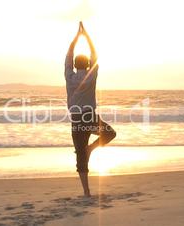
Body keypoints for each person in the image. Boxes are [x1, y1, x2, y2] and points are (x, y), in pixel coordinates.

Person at [64, 21, 116, 197]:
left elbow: (68, 57)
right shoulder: (91, 75)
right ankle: (91, 148)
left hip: (77, 120)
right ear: (87, 65)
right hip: (89, 118)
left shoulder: (69, 76)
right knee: (109, 134)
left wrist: (75, 38)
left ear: (74, 65)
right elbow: (95, 55)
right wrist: (86, 36)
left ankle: (86, 192)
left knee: (80, 157)